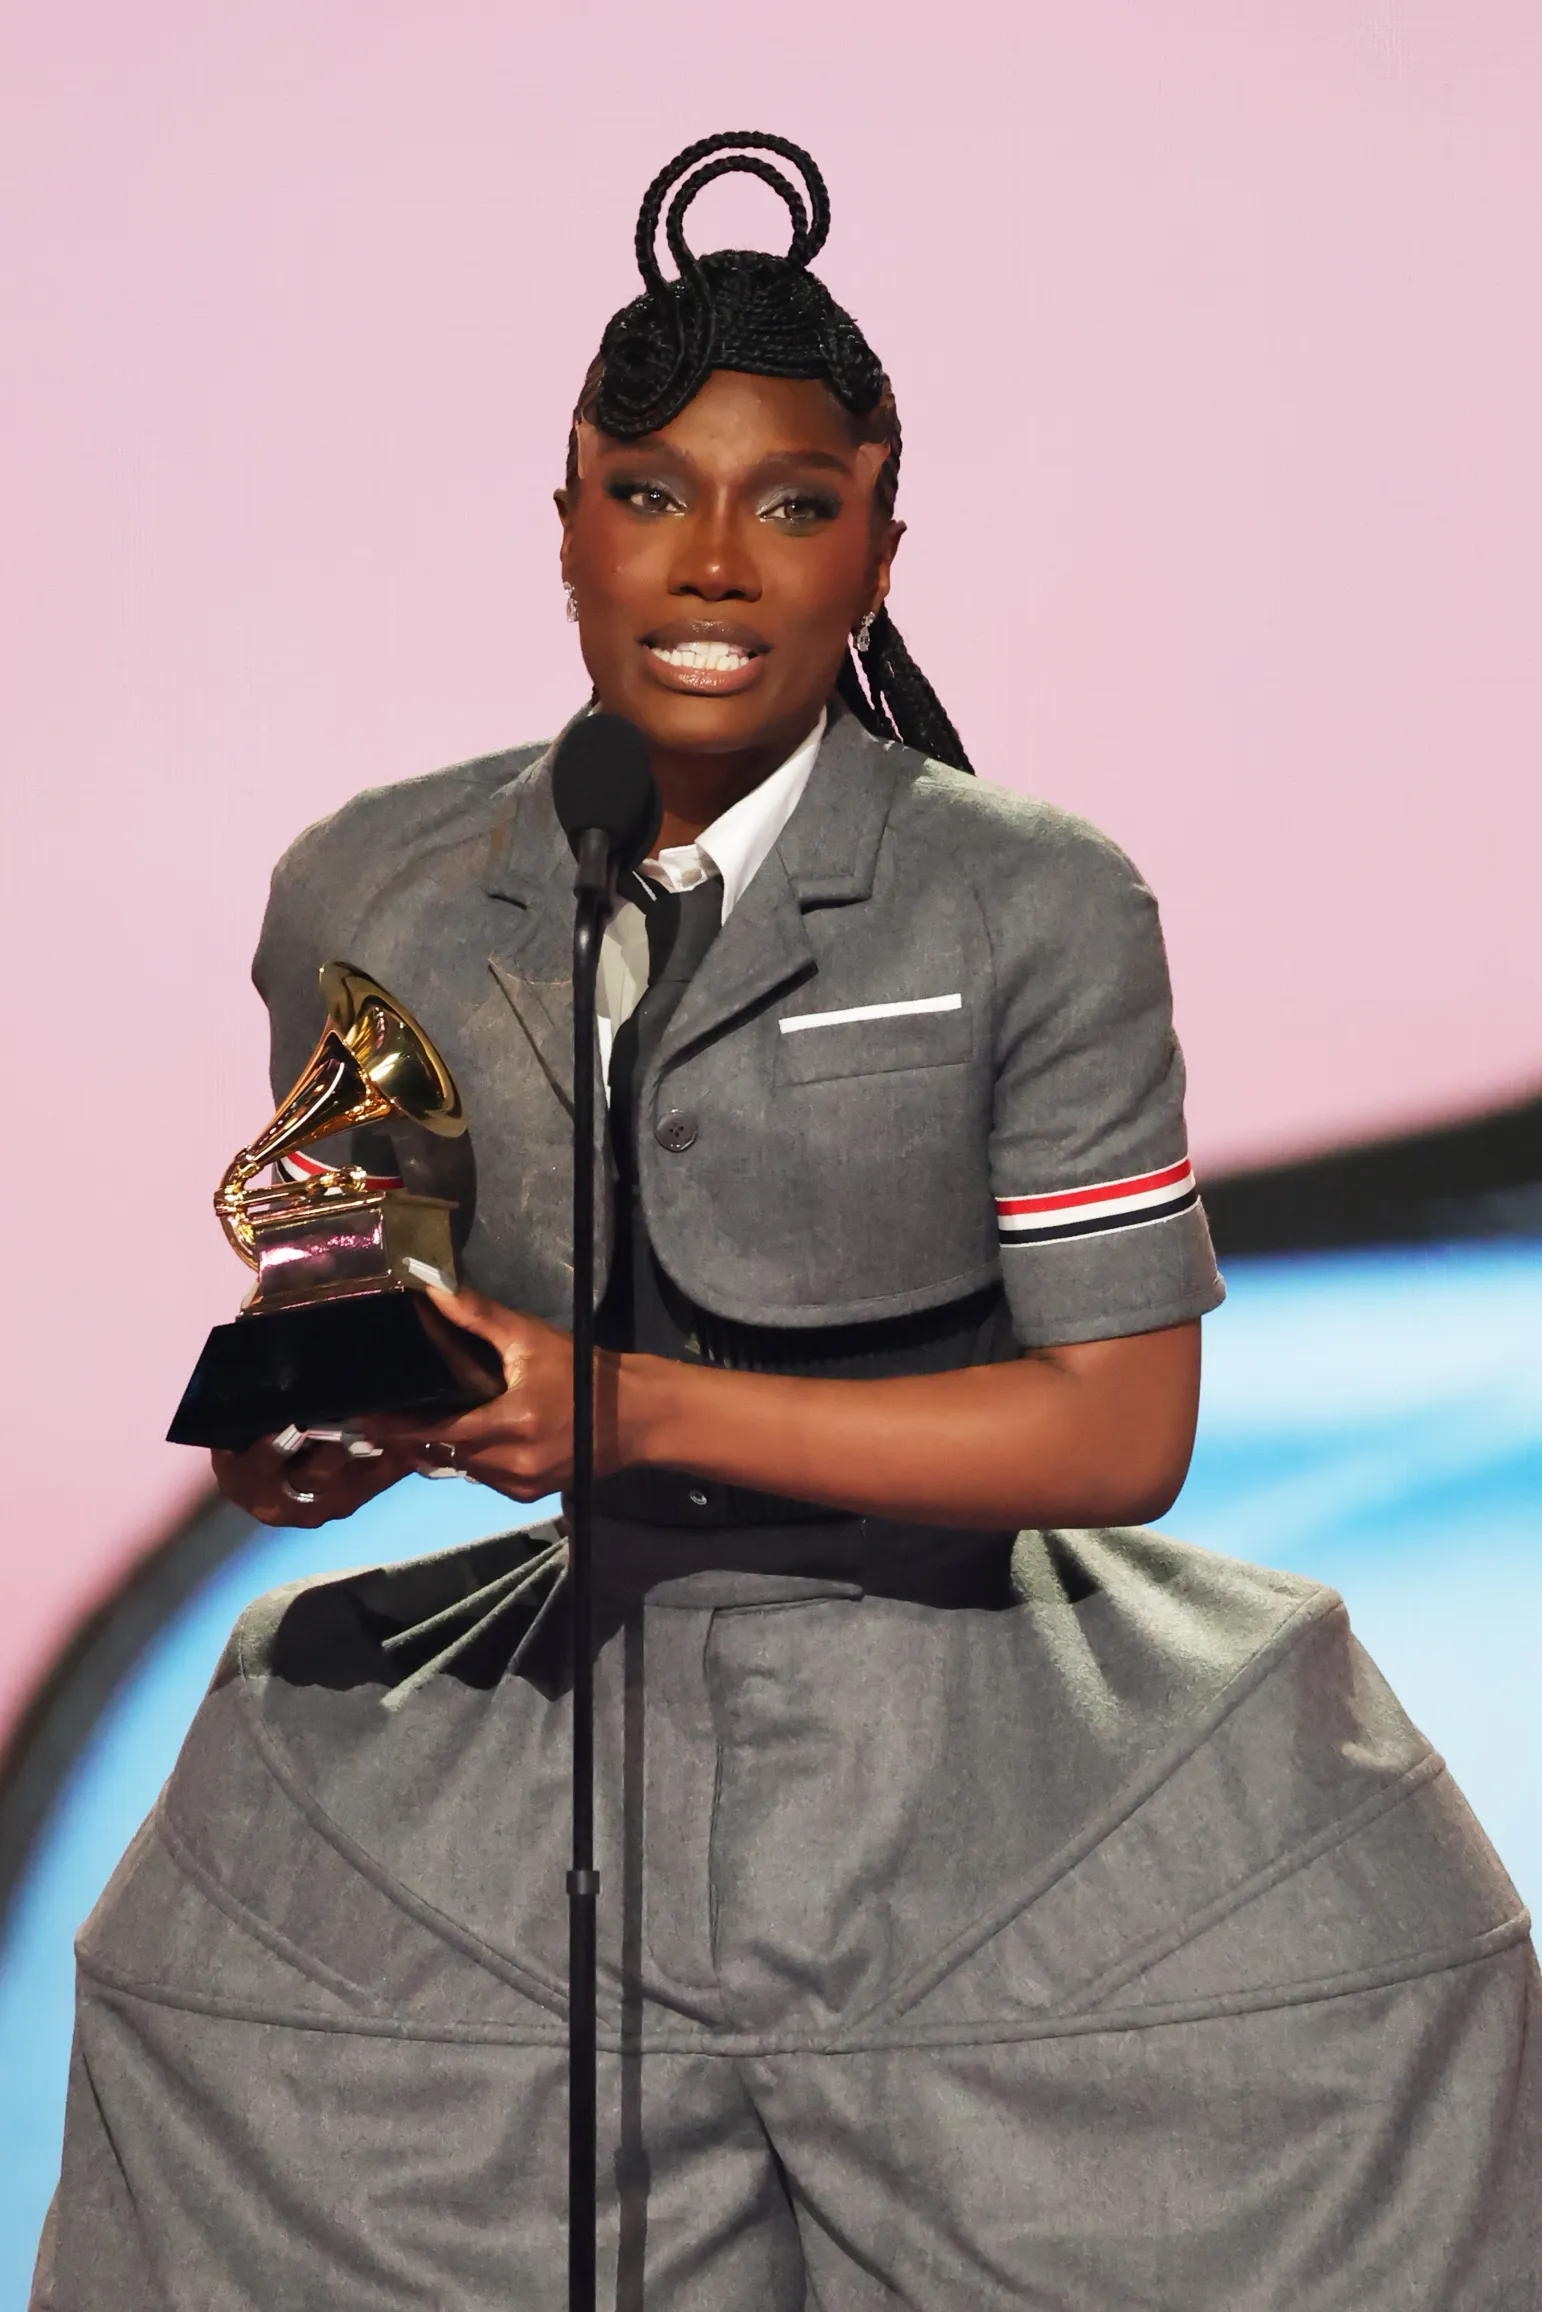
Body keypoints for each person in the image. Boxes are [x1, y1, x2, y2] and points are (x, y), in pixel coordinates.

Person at [35, 133, 1540, 2309]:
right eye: (648, 493)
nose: (713, 565)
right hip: (525, 1765)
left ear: (880, 544)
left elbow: (1120, 1433)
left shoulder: (1031, 897)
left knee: (1350, 1987)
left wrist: (622, 1408)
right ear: (564, 522)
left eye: (794, 503)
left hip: (1017, 1752)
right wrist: (318, 1430)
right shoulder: (372, 891)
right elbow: (353, 1326)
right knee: (223, 1965)